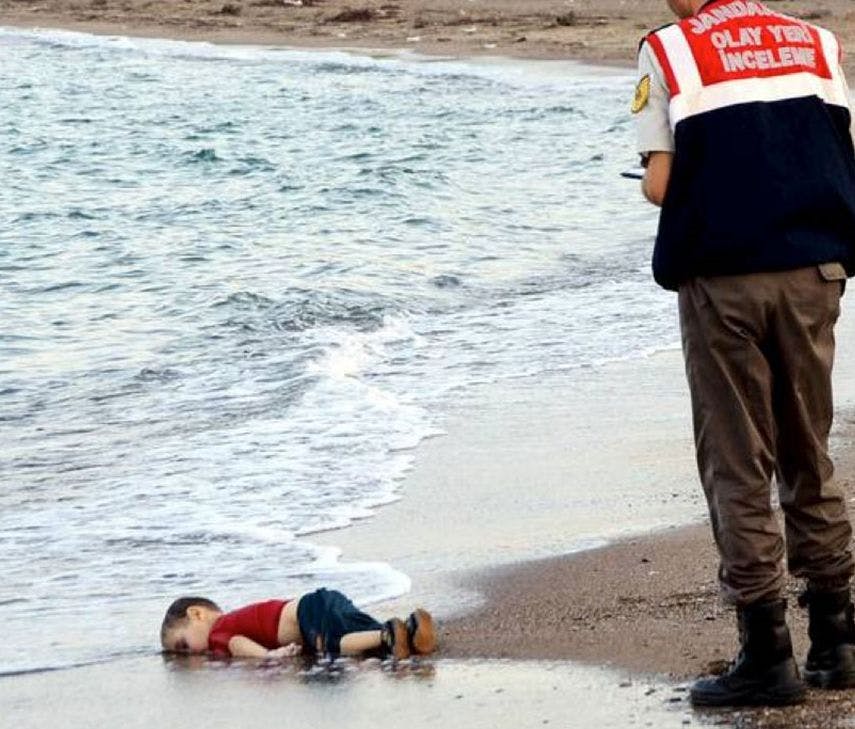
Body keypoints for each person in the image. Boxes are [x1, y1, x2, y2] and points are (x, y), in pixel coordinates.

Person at [634, 0, 855, 708]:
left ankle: (765, 651)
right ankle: (836, 637)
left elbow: (659, 185)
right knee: (805, 447)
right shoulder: (816, 42)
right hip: (815, 271)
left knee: (735, 459)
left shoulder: (668, 50)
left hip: (725, 282)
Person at [160, 587, 436, 661]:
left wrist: (268, 655)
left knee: (336, 645)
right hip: (321, 601)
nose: (190, 653)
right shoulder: (236, 619)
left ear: (197, 614)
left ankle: (388, 636)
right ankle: (409, 630)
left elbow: (236, 645)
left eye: (183, 646)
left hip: (307, 612)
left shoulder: (218, 631)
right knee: (362, 633)